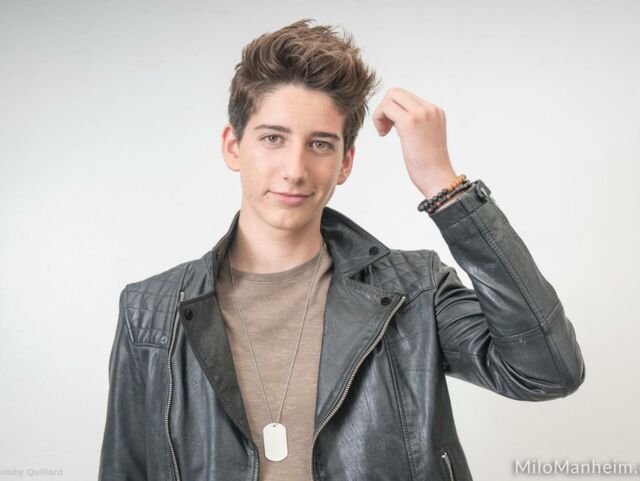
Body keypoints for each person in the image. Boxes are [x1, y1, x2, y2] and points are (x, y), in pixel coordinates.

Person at [98, 18, 585, 481]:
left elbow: (548, 372)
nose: (294, 169)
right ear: (233, 146)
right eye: (273, 138)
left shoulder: (414, 292)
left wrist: (445, 186)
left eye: (320, 145)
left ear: (345, 162)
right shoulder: (150, 311)